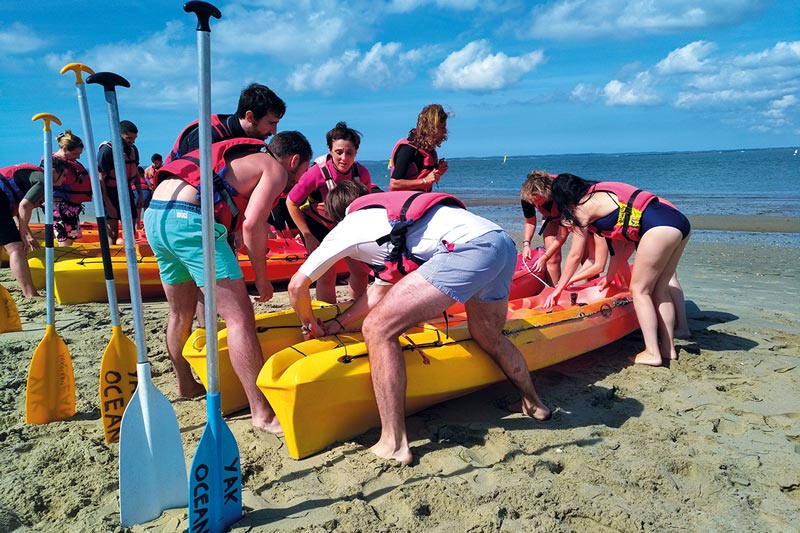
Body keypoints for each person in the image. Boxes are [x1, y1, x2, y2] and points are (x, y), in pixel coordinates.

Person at [288, 180, 551, 464]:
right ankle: (534, 404)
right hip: (499, 242)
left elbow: (296, 287)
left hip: (466, 249)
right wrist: (340, 324)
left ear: (332, 216)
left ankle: (394, 442)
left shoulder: (347, 226)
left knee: (377, 329)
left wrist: (309, 325)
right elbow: (379, 289)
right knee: (488, 334)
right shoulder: (384, 218)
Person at [144, 131, 312, 431]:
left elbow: (229, 204)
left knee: (179, 313)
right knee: (239, 318)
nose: (297, 182)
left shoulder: (240, 157)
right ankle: (261, 412)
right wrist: (262, 278)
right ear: (294, 160)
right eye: (301, 174)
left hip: (156, 216)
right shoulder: (274, 168)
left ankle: (185, 383)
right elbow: (252, 223)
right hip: (191, 220)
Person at [539, 173, 691, 366]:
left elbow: (575, 255)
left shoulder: (581, 210)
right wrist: (610, 278)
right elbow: (618, 248)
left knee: (639, 291)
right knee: (660, 289)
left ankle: (652, 353)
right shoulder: (601, 193)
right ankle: (668, 349)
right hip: (680, 221)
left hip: (659, 227)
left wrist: (559, 288)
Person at [285, 122, 372, 303]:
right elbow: (291, 203)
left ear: (356, 152)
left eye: (349, 153)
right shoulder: (316, 173)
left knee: (360, 272)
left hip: (346, 228)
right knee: (327, 273)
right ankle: (327, 312)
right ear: (330, 151)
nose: (344, 158)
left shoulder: (361, 173)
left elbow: (367, 206)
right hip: (318, 227)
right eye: (338, 152)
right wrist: (307, 235)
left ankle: (356, 310)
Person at [166, 82, 285, 162]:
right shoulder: (207, 135)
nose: (274, 132)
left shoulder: (252, 140)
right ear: (250, 117)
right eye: (272, 123)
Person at [1, 162, 68, 296]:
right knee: (15, 248)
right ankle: (30, 293)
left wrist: (28, 235)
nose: (65, 179)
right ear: (53, 171)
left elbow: (19, 210)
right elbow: (24, 206)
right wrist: (23, 236)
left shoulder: (32, 176)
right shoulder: (43, 181)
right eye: (64, 175)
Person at [520, 170, 567, 286]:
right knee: (552, 258)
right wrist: (526, 245)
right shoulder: (527, 196)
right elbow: (530, 222)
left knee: (585, 257)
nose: (536, 203)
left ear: (546, 192)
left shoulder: (561, 191)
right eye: (533, 200)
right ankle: (554, 290)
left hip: (576, 216)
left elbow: (563, 235)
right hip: (551, 218)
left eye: (539, 199)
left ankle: (593, 287)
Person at [388, 104, 449, 192]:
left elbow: (427, 179)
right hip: (403, 201)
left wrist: (438, 171)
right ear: (431, 129)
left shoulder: (429, 151)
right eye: (442, 127)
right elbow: (394, 184)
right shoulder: (407, 150)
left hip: (420, 199)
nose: (445, 131)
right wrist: (425, 181)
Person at [98, 120, 141, 245]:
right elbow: (101, 178)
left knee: (130, 230)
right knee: (112, 232)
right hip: (110, 192)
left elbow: (136, 173)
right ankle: (110, 259)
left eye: (134, 138)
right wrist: (108, 204)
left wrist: (140, 195)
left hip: (127, 191)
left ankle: (129, 259)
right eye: (129, 138)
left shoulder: (133, 150)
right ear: (119, 134)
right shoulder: (107, 151)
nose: (132, 141)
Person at [47, 130, 93, 246]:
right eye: (75, 154)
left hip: (71, 207)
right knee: (64, 239)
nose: (78, 157)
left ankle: (65, 252)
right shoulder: (52, 163)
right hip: (60, 207)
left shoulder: (70, 162)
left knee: (71, 237)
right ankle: (61, 258)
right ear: (65, 149)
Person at [137, 153, 162, 228]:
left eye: (157, 163)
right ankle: (146, 223)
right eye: (154, 163)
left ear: (161, 162)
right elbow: (146, 179)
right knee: (148, 207)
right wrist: (149, 187)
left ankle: (156, 222)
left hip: (160, 190)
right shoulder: (148, 170)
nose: (155, 164)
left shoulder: (163, 169)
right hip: (151, 190)